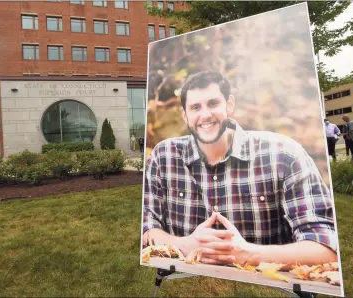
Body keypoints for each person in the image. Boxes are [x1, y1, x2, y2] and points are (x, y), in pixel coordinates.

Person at [143, 71, 337, 269]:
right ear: (185, 115)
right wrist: (183, 245)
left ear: (229, 104)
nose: (205, 115)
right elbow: (147, 226)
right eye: (195, 107)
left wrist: (249, 254)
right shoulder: (164, 156)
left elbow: (325, 246)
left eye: (213, 103)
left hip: (267, 281)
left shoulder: (285, 154)